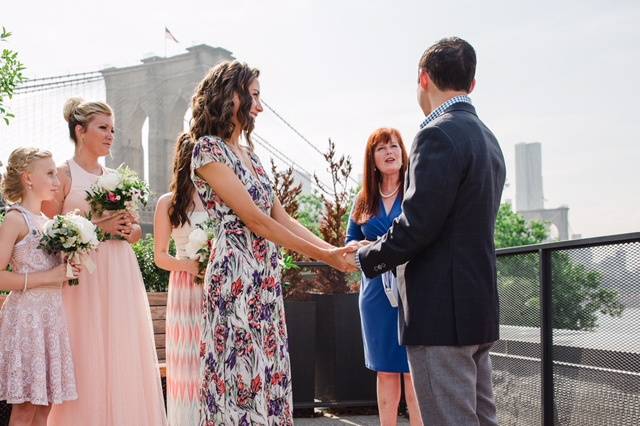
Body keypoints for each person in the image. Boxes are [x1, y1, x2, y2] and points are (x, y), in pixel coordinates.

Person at [349, 37, 506, 425]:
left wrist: (364, 255)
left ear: (423, 78)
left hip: (441, 316)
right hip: (478, 309)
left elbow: (418, 224)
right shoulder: (489, 139)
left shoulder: (437, 135)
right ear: (472, 85)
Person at [189, 61, 355, 424]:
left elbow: (282, 218)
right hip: (235, 274)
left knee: (268, 369)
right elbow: (255, 220)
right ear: (230, 96)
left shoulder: (252, 155)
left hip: (264, 276)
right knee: (239, 372)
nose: (260, 107)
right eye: (254, 96)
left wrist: (333, 251)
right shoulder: (207, 151)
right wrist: (326, 255)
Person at [44, 98, 167, 426]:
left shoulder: (116, 176)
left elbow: (137, 232)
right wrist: (99, 228)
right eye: (103, 128)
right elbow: (49, 233)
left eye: (113, 129)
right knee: (85, 352)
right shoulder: (62, 175)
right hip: (83, 276)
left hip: (120, 273)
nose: (111, 135)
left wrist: (130, 228)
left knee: (121, 353)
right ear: (80, 131)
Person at [346, 128, 422, 426]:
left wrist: (375, 246)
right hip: (376, 294)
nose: (389, 152)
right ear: (372, 159)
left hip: (413, 289)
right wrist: (360, 249)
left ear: (404, 154)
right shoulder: (363, 199)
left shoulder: (416, 192)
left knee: (414, 368)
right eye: (381, 148)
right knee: (386, 370)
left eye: (394, 146)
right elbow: (350, 244)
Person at [0, 148, 81, 426]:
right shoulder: (15, 219)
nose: (56, 179)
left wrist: (70, 268)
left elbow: (56, 272)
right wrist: (49, 277)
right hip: (26, 320)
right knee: (24, 408)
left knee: (45, 407)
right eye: (49, 173)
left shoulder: (51, 224)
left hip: (51, 319)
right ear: (28, 178)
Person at [154, 133, 206, 425]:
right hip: (185, 289)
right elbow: (160, 257)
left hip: (215, 286)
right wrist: (189, 265)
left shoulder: (219, 198)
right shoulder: (168, 203)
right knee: (187, 364)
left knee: (212, 358)